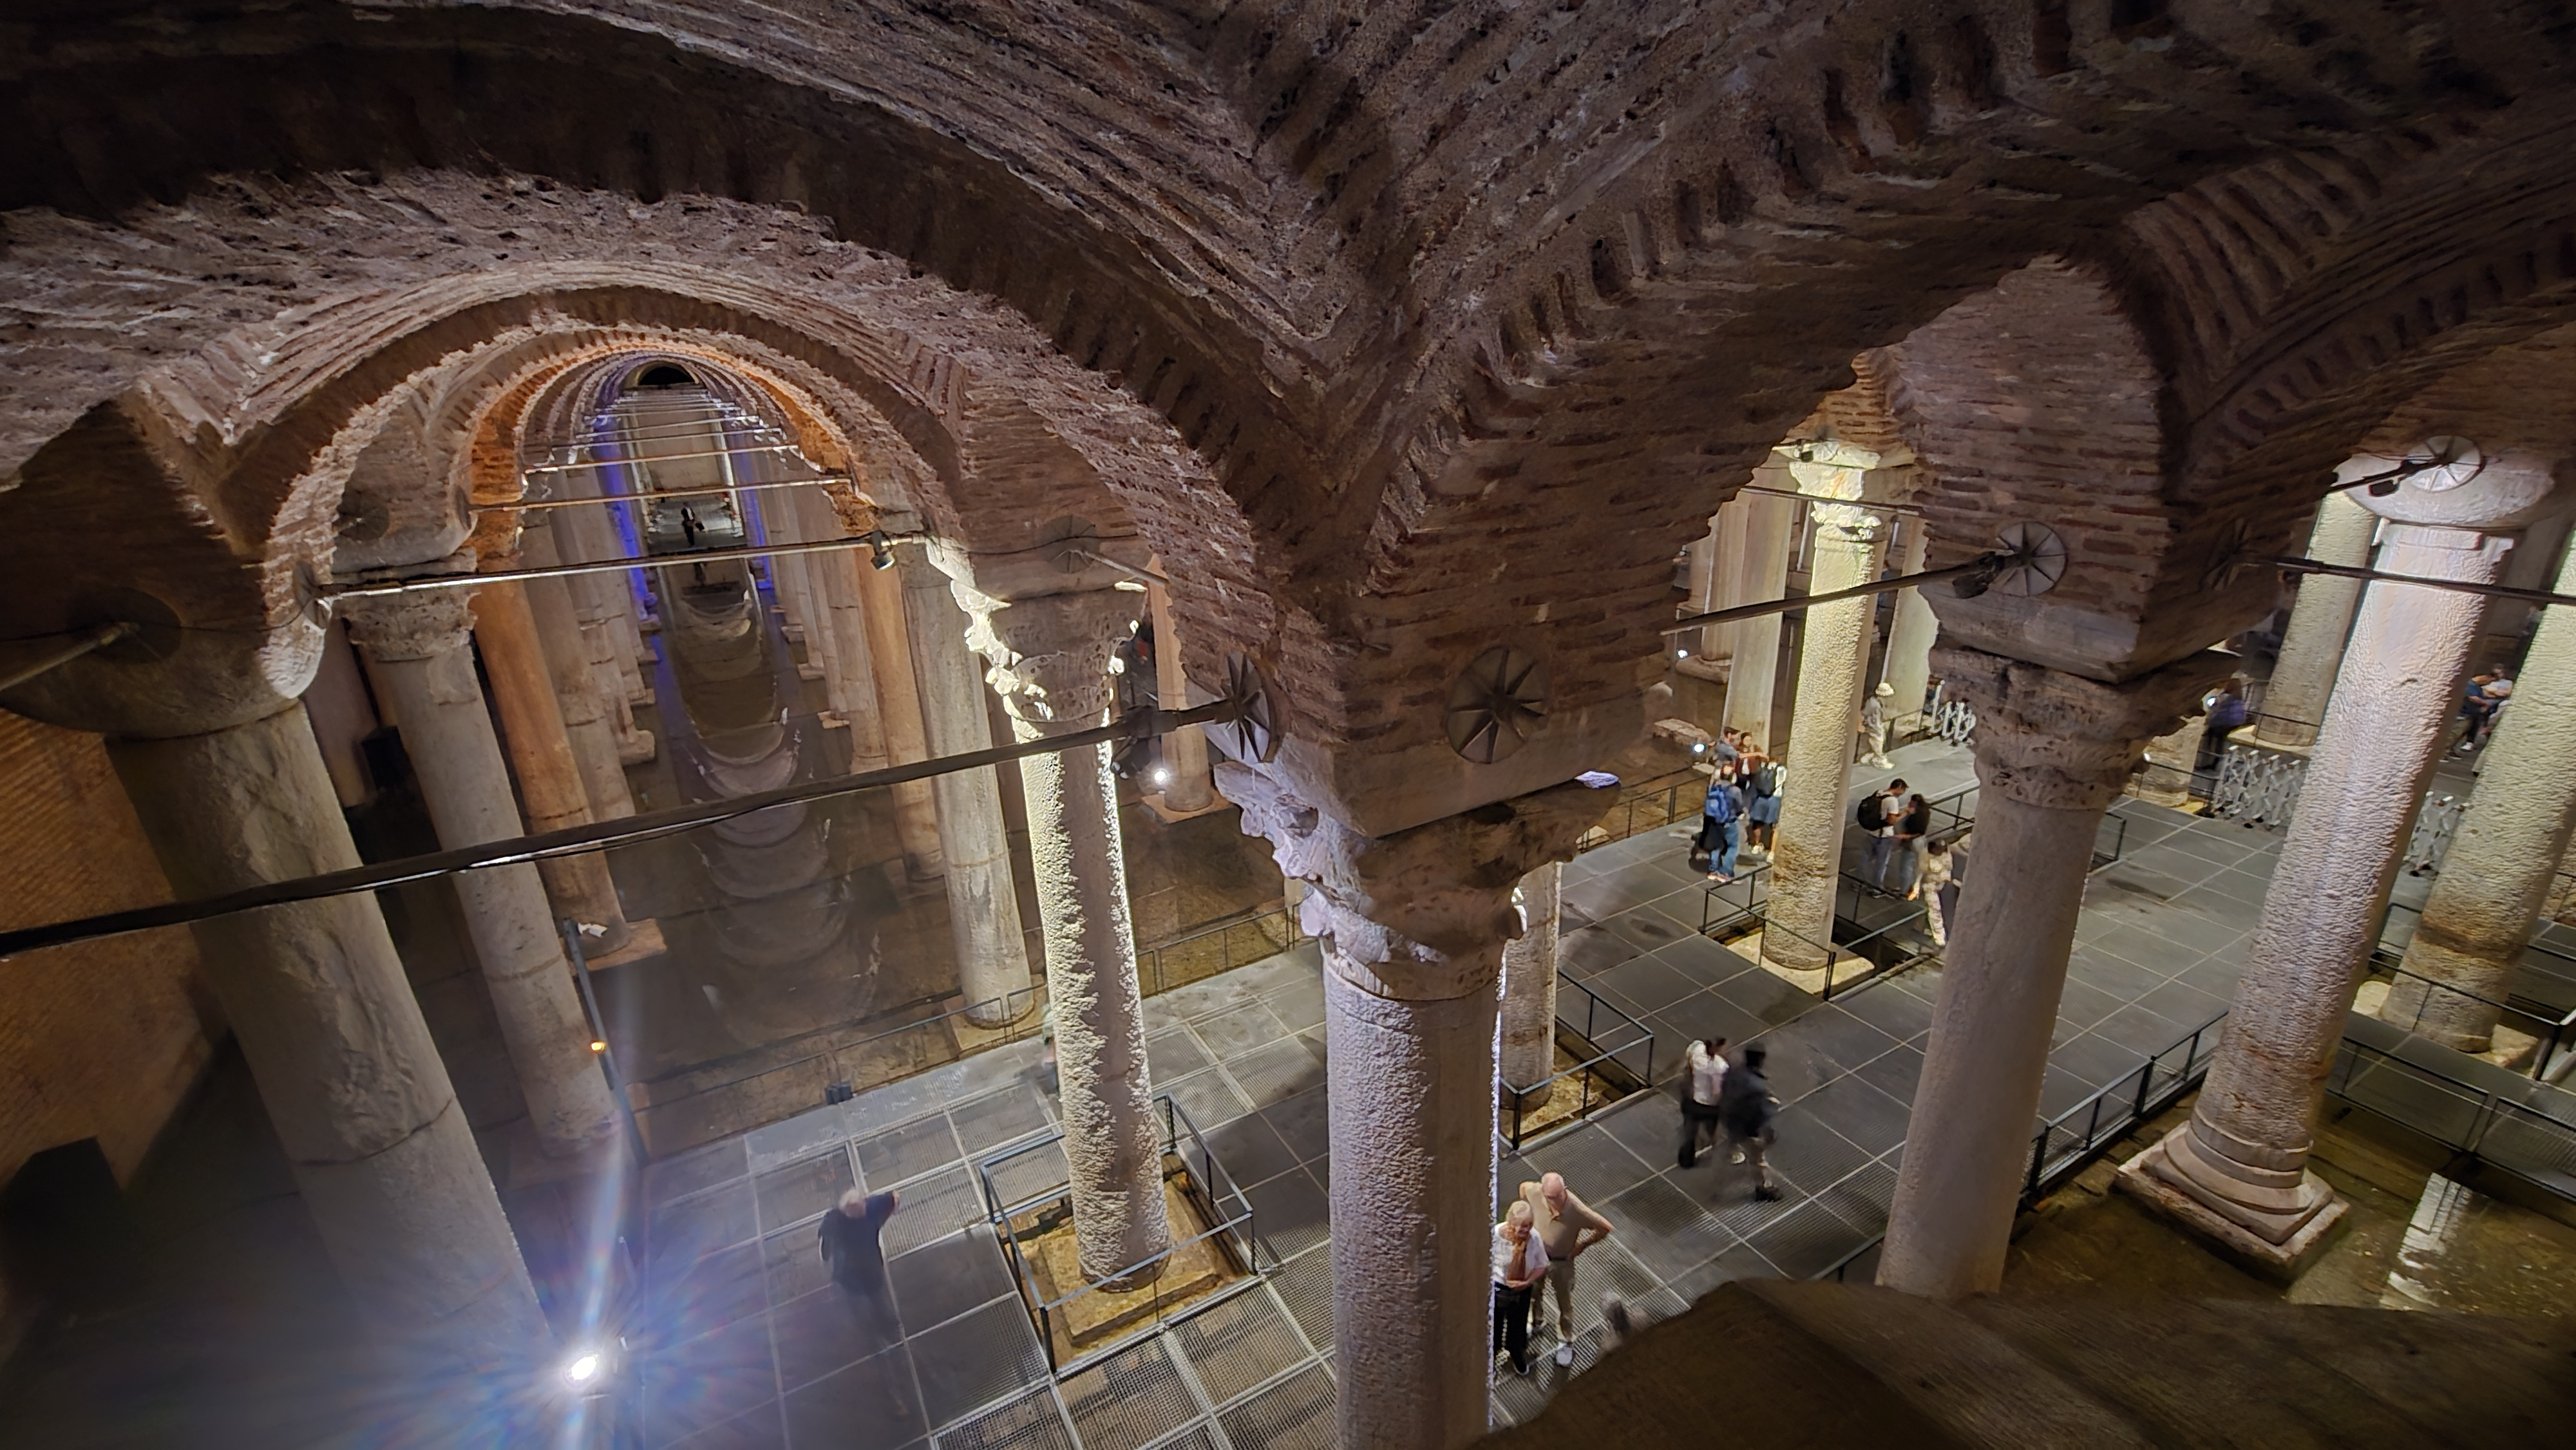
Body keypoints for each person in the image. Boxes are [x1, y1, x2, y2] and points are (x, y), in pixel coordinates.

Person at [1519, 1171, 1613, 1364]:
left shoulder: (1576, 1210)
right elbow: (1523, 1189)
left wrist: (1582, 1246)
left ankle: (1565, 1341)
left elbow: (1604, 1227)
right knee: (1533, 1292)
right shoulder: (1535, 1192)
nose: (1557, 1201)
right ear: (1544, 1194)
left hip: (1561, 1263)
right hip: (1538, 1257)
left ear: (1565, 1190)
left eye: (1560, 1195)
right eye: (1551, 1197)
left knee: (1564, 1303)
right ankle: (1536, 1321)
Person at [819, 1188, 900, 1342]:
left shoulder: (834, 1220)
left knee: (866, 1303)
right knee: (873, 1299)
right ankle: (880, 1327)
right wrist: (892, 1210)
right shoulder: (870, 1211)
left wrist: (826, 1258)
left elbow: (825, 1243)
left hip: (854, 1275)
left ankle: (875, 1331)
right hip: (864, 1273)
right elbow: (894, 1197)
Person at [1491, 1200, 1548, 1377]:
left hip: (1522, 1289)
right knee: (1494, 1325)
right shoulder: (1496, 1235)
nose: (1525, 1230)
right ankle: (1492, 1356)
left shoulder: (1534, 1238)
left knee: (1518, 1325)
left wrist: (1528, 1282)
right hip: (1498, 1288)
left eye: (1528, 1225)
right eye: (1520, 1225)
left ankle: (1516, 1352)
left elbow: (1542, 1264)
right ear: (1510, 1222)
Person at [1718, 1044, 1782, 1201]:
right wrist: (1766, 1132)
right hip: (1748, 1129)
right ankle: (1763, 1188)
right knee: (1758, 1160)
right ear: (1761, 1059)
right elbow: (1760, 1114)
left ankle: (1729, 1154)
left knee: (1733, 1140)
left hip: (1731, 1120)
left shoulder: (1734, 1072)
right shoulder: (1757, 1087)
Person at [1678, 1035, 1729, 1168]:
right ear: (1718, 1047)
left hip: (1693, 1103)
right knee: (1713, 1130)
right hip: (1711, 1108)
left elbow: (1690, 1053)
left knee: (1690, 1134)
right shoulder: (1721, 1065)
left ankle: (1686, 1161)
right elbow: (1719, 1090)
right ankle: (1717, 1148)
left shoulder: (1697, 1053)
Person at [1858, 780, 1906, 894]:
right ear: (1899, 787)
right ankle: (1876, 888)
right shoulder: (1892, 801)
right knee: (1881, 863)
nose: (1903, 793)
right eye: (1903, 790)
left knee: (1865, 858)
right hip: (1884, 835)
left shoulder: (1879, 793)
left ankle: (1858, 882)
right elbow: (1892, 821)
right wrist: (1904, 814)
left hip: (1872, 831)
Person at [1696, 769, 1743, 883]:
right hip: (1729, 821)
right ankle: (1726, 872)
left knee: (1716, 845)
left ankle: (1713, 870)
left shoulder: (1713, 787)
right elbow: (1739, 806)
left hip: (1715, 822)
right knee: (1731, 847)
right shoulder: (1735, 790)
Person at [1911, 838, 1956, 948]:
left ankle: (1920, 926)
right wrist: (1916, 888)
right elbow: (1920, 872)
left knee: (1945, 909)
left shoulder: (1946, 853)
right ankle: (1939, 937)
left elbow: (1949, 867)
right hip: (1930, 885)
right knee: (1935, 910)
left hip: (1944, 883)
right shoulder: (1925, 855)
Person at [1891, 787, 1931, 898]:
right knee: (1916, 867)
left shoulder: (1915, 816)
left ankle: (1904, 890)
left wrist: (1904, 836)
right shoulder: (1925, 813)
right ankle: (1911, 887)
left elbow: (1915, 831)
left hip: (1912, 843)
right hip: (1921, 842)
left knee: (1906, 866)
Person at [1741, 750, 1783, 858]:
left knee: (1757, 822)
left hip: (1760, 797)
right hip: (1774, 798)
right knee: (1774, 826)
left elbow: (1746, 772)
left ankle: (1757, 845)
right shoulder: (1782, 770)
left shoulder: (1761, 768)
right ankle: (1772, 852)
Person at [1858, 681, 1895, 769]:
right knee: (1878, 741)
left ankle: (1869, 757)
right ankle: (1878, 759)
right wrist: (1862, 724)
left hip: (1876, 725)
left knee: (1877, 741)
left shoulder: (1877, 702)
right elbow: (1865, 713)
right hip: (1873, 726)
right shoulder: (1873, 703)